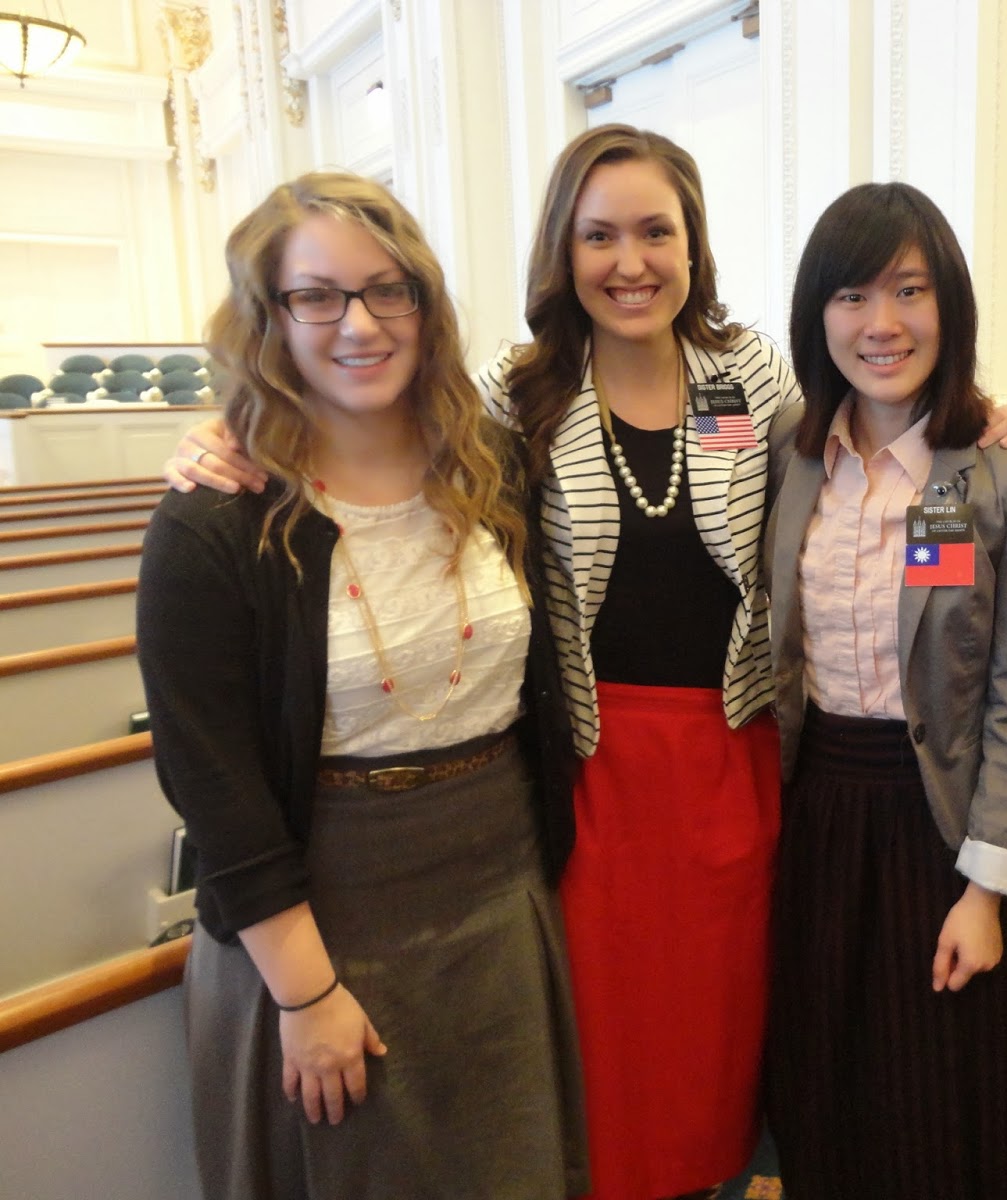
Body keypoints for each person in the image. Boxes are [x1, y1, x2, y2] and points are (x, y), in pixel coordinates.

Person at [164, 127, 1007, 1200]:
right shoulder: (515, 393)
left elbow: (863, 427)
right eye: (600, 235)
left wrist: (973, 420)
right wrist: (226, 431)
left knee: (721, 1034)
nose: (631, 262)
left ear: (692, 242)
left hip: (732, 755)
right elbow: (378, 432)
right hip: (586, 769)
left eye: (655, 231)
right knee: (606, 1048)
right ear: (562, 250)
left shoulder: (746, 377)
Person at [135, 172, 587, 1200]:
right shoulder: (216, 521)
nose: (360, 324)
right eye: (318, 296)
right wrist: (305, 995)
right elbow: (212, 782)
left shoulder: (487, 465)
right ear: (268, 315)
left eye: (389, 290)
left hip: (493, 893)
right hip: (320, 921)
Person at [763, 181, 1007, 1200]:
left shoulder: (1004, 473)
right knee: (822, 1079)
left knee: (936, 1095)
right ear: (818, 314)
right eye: (851, 295)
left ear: (950, 304)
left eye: (908, 290)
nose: (881, 323)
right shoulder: (791, 452)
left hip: (940, 820)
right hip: (815, 812)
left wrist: (986, 889)